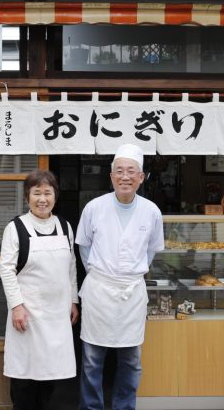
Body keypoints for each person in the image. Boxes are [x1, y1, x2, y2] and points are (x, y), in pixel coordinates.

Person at [76, 144, 164, 410]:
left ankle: (124, 407)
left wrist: (127, 274)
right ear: (111, 176)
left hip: (131, 293)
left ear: (141, 177)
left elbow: (150, 252)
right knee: (92, 359)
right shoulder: (94, 207)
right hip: (99, 290)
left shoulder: (151, 212)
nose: (125, 177)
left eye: (131, 172)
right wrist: (101, 274)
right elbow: (84, 247)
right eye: (119, 171)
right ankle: (91, 407)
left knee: (130, 360)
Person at [0, 169, 80, 410]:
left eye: (48, 192)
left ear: (55, 196)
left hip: (57, 314)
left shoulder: (64, 226)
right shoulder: (16, 228)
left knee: (51, 377)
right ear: (27, 197)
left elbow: (71, 266)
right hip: (28, 315)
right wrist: (16, 306)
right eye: (37, 193)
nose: (42, 199)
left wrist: (73, 300)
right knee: (25, 377)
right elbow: (6, 270)